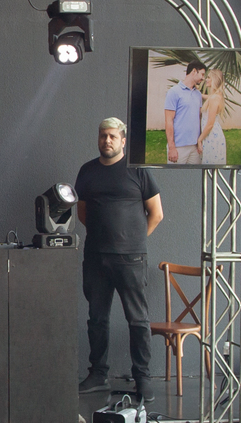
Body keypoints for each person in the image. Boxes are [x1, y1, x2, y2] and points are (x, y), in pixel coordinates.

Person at [74, 117, 164, 401]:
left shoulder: (138, 171)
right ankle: (98, 374)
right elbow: (83, 213)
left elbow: (156, 213)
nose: (107, 141)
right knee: (97, 319)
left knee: (138, 319)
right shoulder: (87, 171)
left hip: (131, 258)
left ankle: (143, 378)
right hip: (96, 257)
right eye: (103, 136)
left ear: (123, 140)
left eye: (112, 136)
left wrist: (134, 241)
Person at [164, 61, 207, 165]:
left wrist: (199, 142)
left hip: (195, 148)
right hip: (179, 148)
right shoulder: (174, 92)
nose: (203, 78)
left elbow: (199, 118)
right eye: (202, 74)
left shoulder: (198, 94)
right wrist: (172, 147)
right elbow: (168, 120)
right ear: (194, 71)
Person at [199, 69, 227, 166]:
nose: (206, 79)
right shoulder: (216, 96)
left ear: (214, 79)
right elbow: (209, 97)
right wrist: (199, 94)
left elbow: (210, 124)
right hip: (211, 136)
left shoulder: (214, 99)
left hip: (212, 137)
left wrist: (199, 139)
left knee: (210, 165)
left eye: (209, 77)